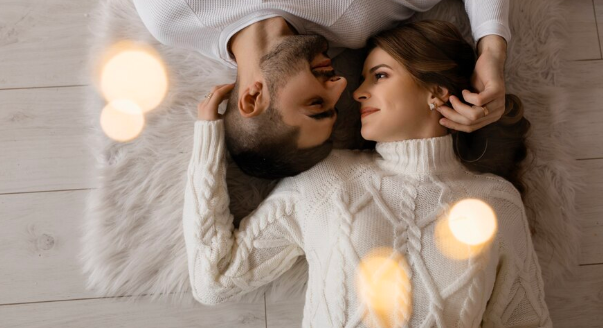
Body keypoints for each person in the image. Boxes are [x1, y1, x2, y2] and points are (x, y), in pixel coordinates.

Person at [182, 20, 553, 327]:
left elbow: (525, 320)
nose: (357, 92)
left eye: (379, 76)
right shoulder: (325, 180)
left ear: (437, 92)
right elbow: (214, 279)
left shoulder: (497, 202)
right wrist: (209, 137)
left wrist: (492, 55)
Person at [101, 0, 511, 177]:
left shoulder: (173, 13)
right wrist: (491, 57)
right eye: (334, 106)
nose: (341, 85)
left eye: (316, 104)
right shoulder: (357, 14)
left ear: (252, 98)